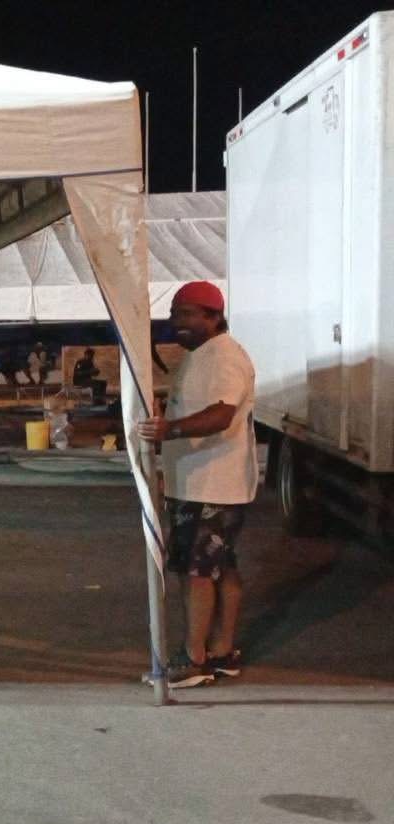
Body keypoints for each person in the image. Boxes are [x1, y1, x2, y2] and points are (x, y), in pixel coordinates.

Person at [136, 281, 258, 689]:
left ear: (215, 316)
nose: (177, 322)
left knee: (197, 572)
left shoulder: (224, 357)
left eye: (188, 314)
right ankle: (222, 650)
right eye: (175, 314)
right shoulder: (202, 355)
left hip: (210, 486)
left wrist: (169, 430)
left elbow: (221, 415)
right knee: (222, 568)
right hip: (204, 483)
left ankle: (194, 659)